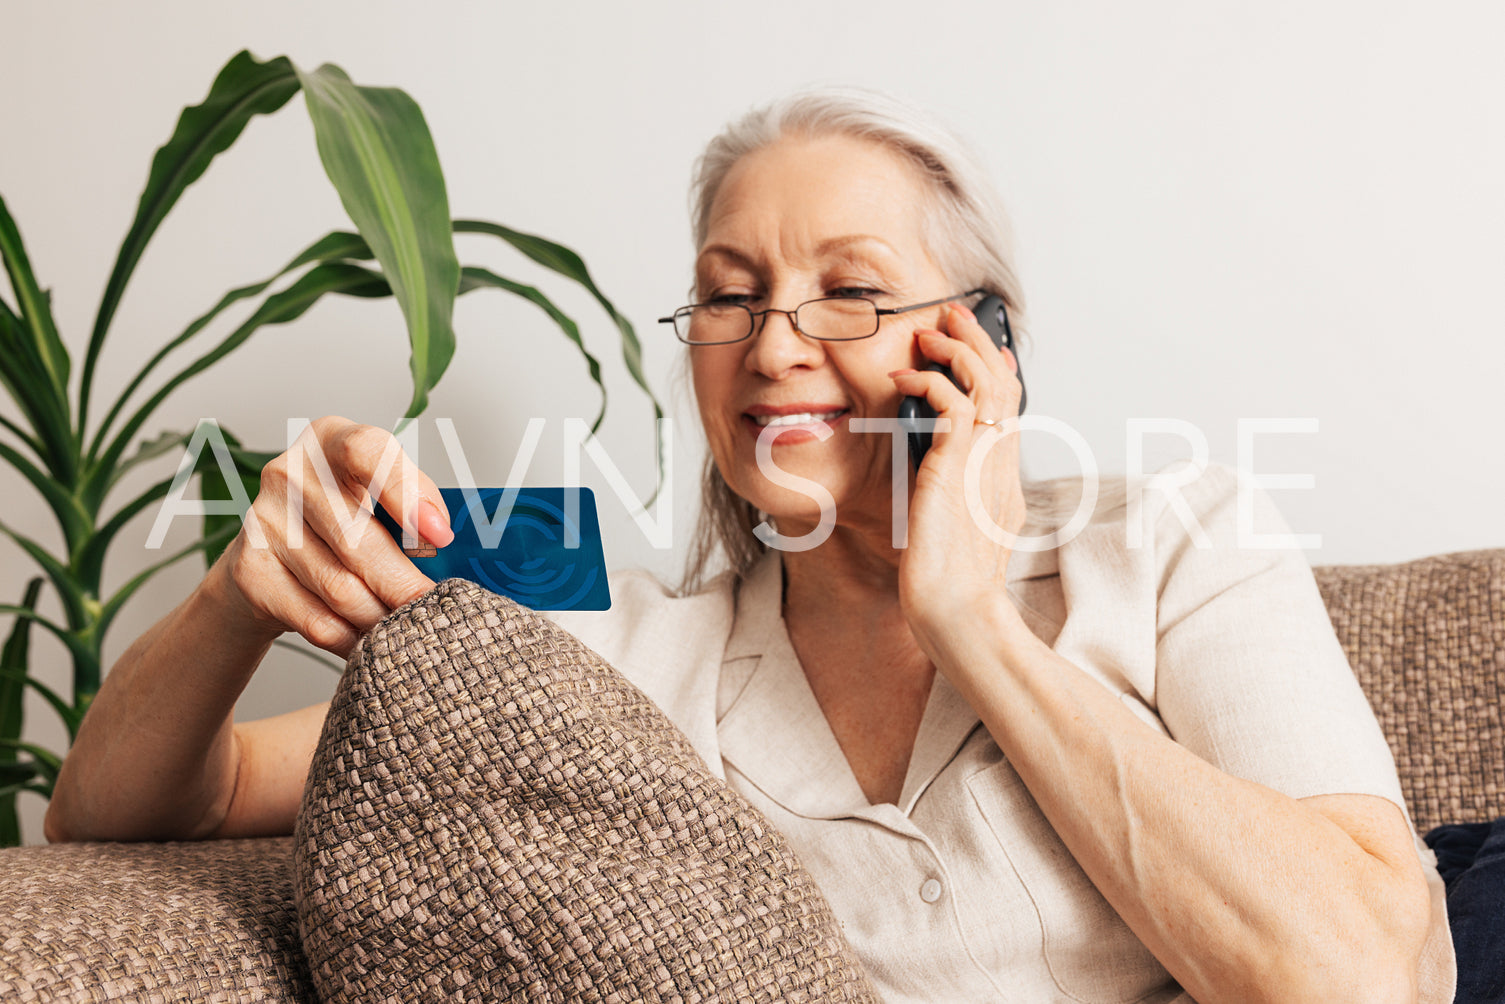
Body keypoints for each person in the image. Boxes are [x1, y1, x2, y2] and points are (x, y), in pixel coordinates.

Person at [46, 87, 1456, 1003]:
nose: (773, 345)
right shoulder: (624, 663)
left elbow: (1356, 977)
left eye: (848, 289)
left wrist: (966, 611)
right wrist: (233, 598)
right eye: (728, 297)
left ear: (979, 342)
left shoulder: (1173, 542)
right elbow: (129, 809)